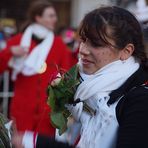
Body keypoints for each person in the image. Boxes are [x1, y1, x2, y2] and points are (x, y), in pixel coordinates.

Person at [12, 6, 148, 148]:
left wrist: (36, 143)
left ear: (126, 51)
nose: (82, 50)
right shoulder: (86, 86)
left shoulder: (140, 100)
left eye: (96, 43)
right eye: (83, 40)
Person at [0, 0, 73, 137]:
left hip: (47, 111)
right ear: (38, 18)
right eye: (51, 16)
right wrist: (10, 52)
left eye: (55, 16)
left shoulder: (58, 44)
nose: (55, 19)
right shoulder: (18, 41)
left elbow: (67, 73)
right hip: (22, 109)